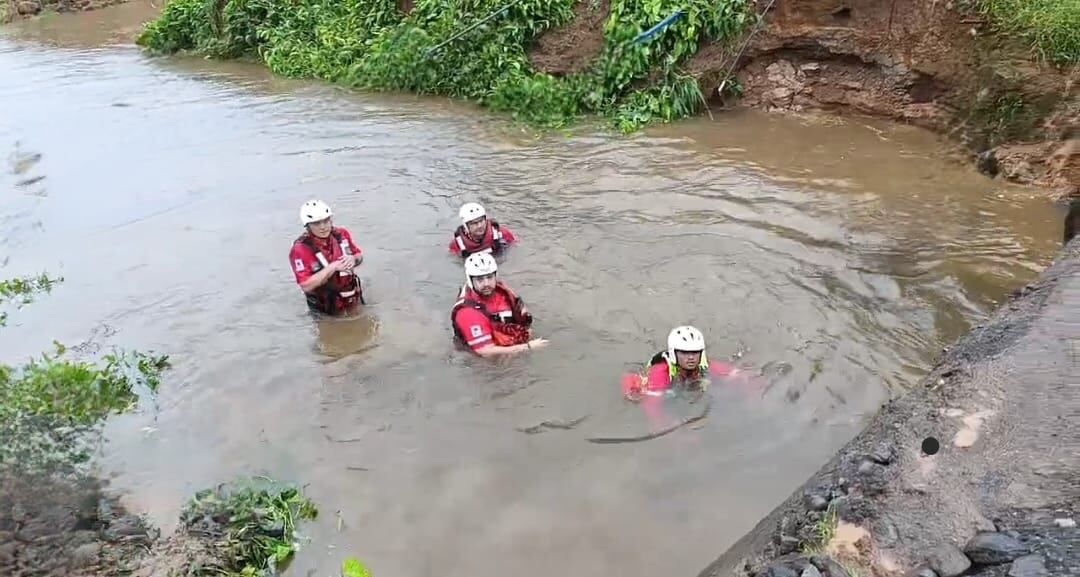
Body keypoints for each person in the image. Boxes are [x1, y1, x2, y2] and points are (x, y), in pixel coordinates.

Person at [450, 252, 547, 356]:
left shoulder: (503, 292)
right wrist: (528, 347)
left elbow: (524, 320)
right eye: (480, 279)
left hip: (508, 342)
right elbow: (485, 351)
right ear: (470, 280)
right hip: (482, 358)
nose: (486, 284)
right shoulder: (467, 312)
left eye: (489, 277)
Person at [289, 200, 364, 315]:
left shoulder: (341, 234)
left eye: (326, 221)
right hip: (325, 306)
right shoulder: (300, 249)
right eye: (316, 223)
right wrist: (332, 267)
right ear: (307, 226)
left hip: (351, 298)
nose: (323, 227)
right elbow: (306, 286)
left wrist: (353, 259)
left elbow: (358, 255)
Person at [625, 325, 740, 400]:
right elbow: (653, 407)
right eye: (684, 353)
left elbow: (736, 374)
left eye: (695, 352)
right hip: (646, 385)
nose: (691, 358)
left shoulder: (704, 362)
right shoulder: (661, 371)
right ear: (674, 353)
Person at [449, 202, 517, 258]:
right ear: (466, 226)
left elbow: (516, 246)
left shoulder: (501, 233)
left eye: (481, 221)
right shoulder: (457, 244)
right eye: (474, 223)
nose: (480, 226)